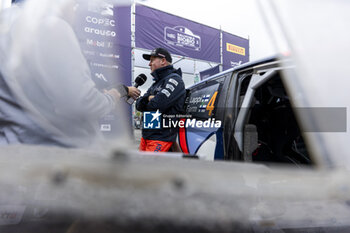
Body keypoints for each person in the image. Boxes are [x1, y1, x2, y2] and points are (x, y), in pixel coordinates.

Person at [0, 1, 140, 147]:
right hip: (53, 154)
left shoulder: (7, 24)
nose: (75, 11)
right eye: (74, 5)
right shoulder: (50, 26)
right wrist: (113, 95)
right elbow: (81, 103)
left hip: (13, 150)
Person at [136, 48, 185, 152]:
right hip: (146, 136)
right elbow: (138, 105)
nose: (149, 64)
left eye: (152, 60)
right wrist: (148, 98)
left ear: (163, 61)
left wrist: (148, 101)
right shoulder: (156, 83)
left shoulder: (175, 79)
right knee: (140, 166)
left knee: (148, 168)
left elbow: (157, 104)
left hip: (160, 138)